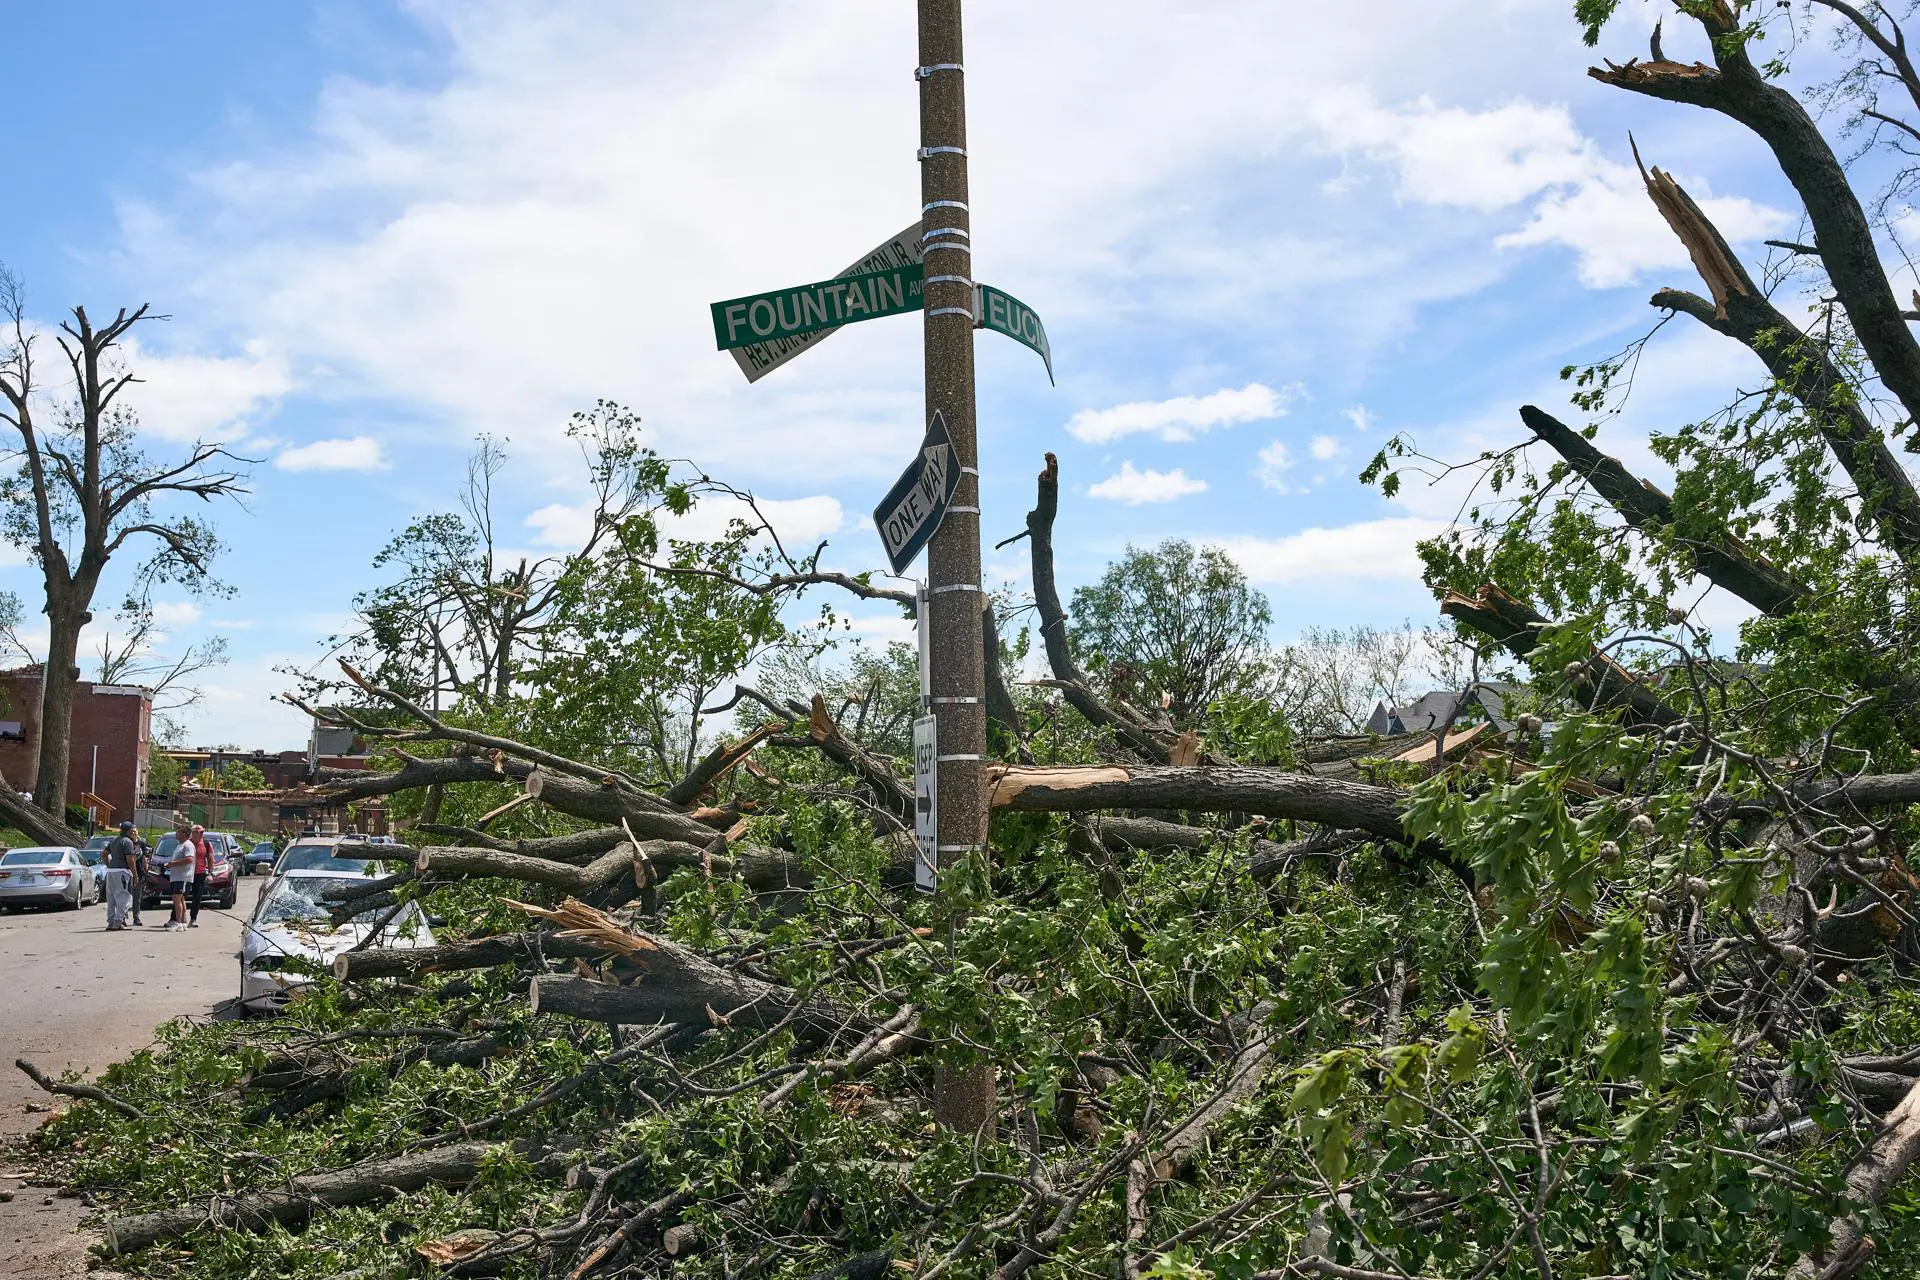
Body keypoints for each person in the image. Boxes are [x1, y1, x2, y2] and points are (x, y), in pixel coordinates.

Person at [102, 821, 139, 931]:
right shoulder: (127, 842)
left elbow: (104, 854)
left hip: (111, 872)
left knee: (111, 898)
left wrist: (109, 865)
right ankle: (118, 922)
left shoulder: (114, 840)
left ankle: (111, 921)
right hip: (122, 872)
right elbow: (130, 859)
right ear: (129, 831)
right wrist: (135, 875)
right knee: (124, 897)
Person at [164, 821, 194, 931]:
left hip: (183, 876)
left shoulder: (188, 845)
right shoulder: (180, 845)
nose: (176, 833)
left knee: (177, 900)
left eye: (179, 832)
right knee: (180, 900)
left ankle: (178, 923)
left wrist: (172, 864)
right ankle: (183, 922)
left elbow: (189, 859)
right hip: (176, 876)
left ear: (185, 834)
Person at [187, 823, 212, 927]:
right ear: (192, 833)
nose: (200, 834)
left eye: (202, 832)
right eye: (198, 832)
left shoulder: (206, 844)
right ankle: (176, 918)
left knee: (197, 897)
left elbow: (210, 859)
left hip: (200, 873)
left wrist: (210, 873)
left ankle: (193, 918)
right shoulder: (187, 843)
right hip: (187, 873)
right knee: (181, 896)